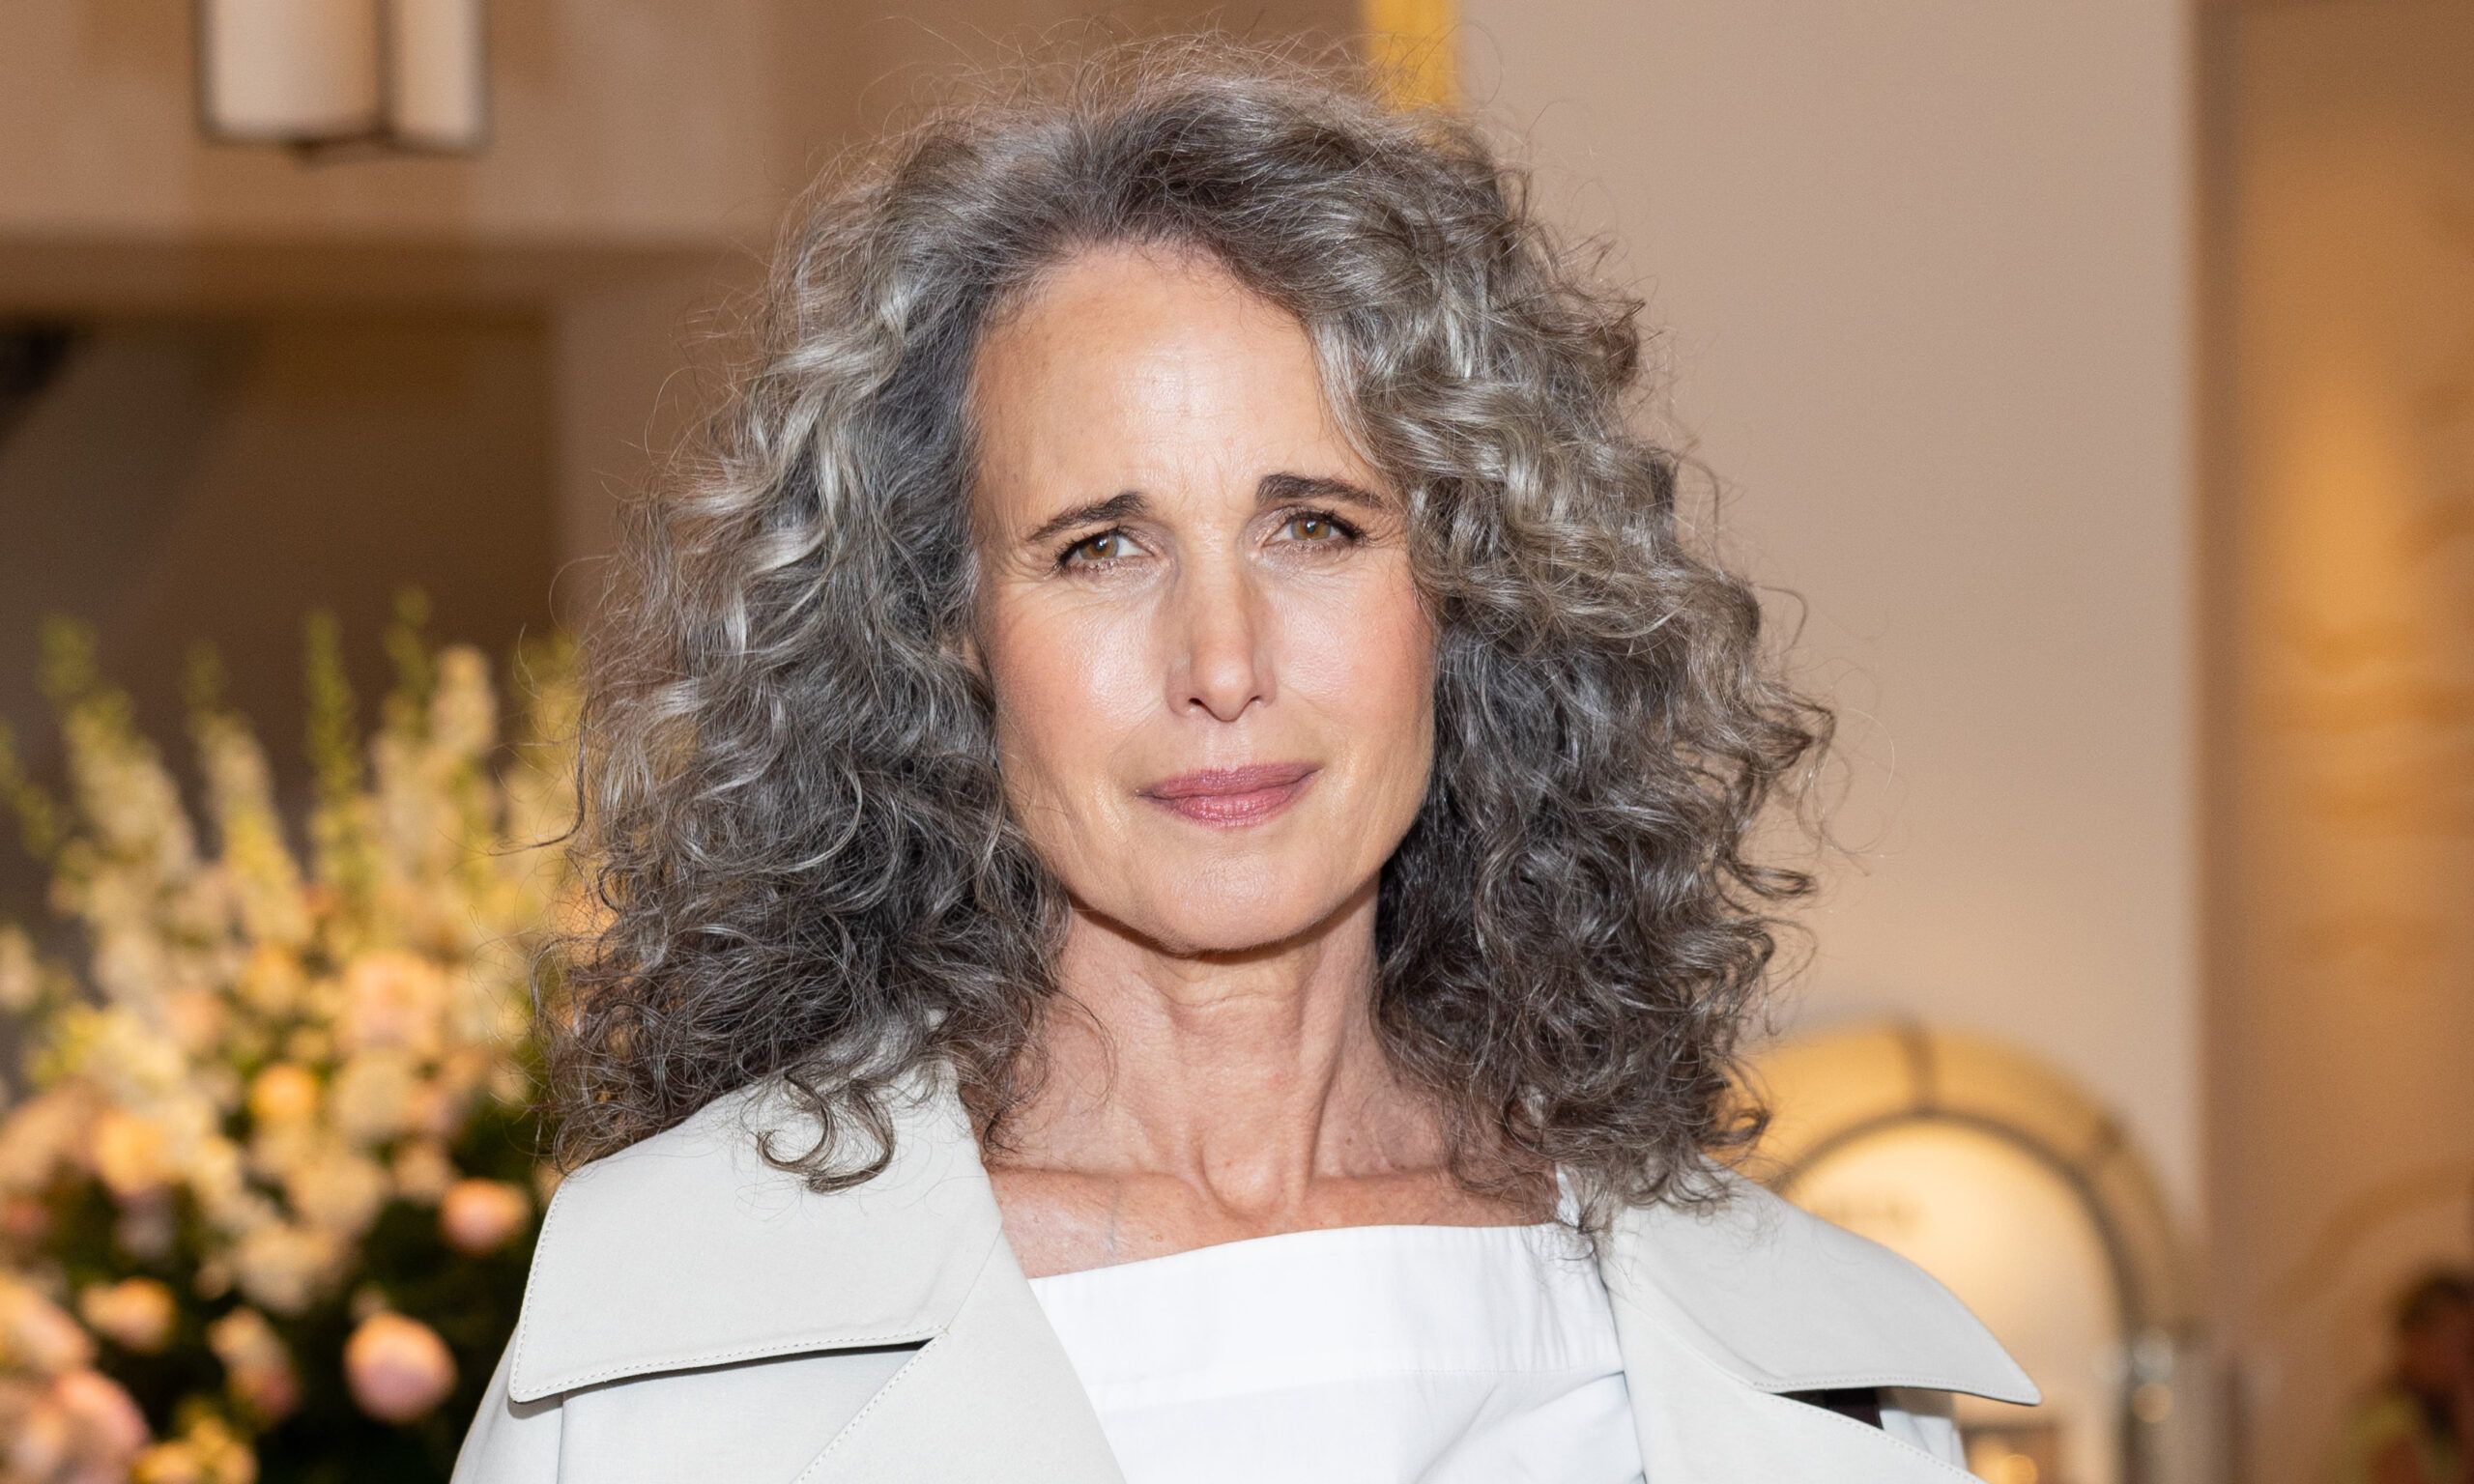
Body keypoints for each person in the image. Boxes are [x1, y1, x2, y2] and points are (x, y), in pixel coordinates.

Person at [450, 32, 2036, 1484]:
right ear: (945, 616)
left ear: (1467, 578)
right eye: (1100, 546)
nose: (1223, 664)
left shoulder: (1813, 1371)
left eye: (1317, 526)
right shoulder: (665, 1351)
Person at [2337, 1270, 2474, 1484]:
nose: (2466, 1358)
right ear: (2416, 1340)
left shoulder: (2432, 1416)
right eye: (2459, 1342)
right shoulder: (2390, 1417)